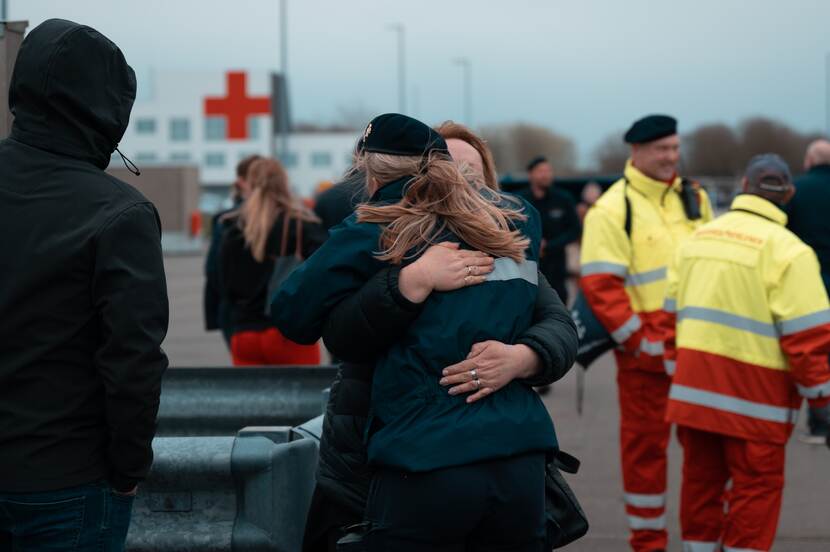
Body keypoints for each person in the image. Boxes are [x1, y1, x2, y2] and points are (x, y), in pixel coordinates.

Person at [273, 113, 556, 551]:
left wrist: (398, 275)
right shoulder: (519, 219)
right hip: (519, 457)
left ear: (370, 170)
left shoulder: (382, 225)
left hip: (426, 459)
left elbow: (292, 313)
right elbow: (545, 313)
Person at [0, 19, 169, 550]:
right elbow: (132, 360)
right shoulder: (122, 214)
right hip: (64, 481)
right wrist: (128, 468)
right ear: (109, 107)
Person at [662, 154, 830, 552]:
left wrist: (679, 375)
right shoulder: (792, 253)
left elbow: (669, 322)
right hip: (759, 405)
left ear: (743, 186)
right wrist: (822, 400)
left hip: (694, 398)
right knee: (755, 495)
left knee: (700, 492)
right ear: (787, 195)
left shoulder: (696, 241)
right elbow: (809, 341)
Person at [579, 114, 713, 552]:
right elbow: (601, 287)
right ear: (635, 151)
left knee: (705, 458)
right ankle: (648, 542)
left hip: (698, 353)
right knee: (645, 457)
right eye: (662, 149)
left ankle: (703, 540)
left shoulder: (695, 196)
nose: (671, 157)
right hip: (645, 361)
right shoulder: (613, 209)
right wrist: (642, 344)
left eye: (675, 148)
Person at [221, 158, 327, 365]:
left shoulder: (232, 228)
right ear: (284, 183)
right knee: (302, 396)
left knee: (247, 397)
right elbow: (323, 277)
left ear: (249, 184)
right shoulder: (302, 226)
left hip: (244, 334)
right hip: (289, 333)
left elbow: (225, 287)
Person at [785, 139, 830, 443]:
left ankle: (820, 420)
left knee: (814, 349)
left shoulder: (796, 191)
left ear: (809, 161)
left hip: (810, 280)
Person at [204, 154, 262, 346]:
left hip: (235, 313)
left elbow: (214, 270)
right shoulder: (287, 219)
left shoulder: (225, 220)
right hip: (270, 315)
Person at [518, 156, 580, 304]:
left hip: (556, 270)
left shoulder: (563, 199)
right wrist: (531, 244)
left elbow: (575, 230)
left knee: (559, 308)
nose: (545, 174)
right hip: (526, 266)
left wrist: (550, 245)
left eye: (548, 171)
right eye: (541, 171)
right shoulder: (519, 200)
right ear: (530, 174)